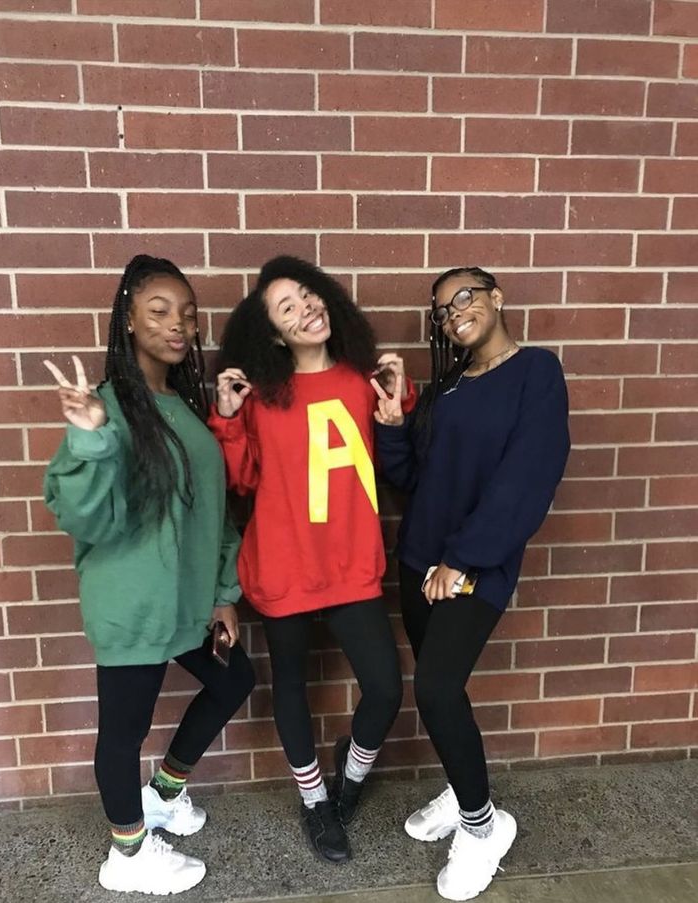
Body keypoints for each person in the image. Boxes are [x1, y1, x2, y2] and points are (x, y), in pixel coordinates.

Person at [43, 255, 255, 896]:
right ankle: (128, 858)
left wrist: (223, 596)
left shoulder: (182, 405)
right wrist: (89, 440)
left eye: (187, 314)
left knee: (233, 681)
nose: (178, 325)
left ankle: (162, 794)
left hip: (188, 605)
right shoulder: (105, 410)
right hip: (135, 604)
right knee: (124, 731)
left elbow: (214, 511)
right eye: (159, 311)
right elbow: (84, 516)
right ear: (128, 319)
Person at [373, 266, 570, 901]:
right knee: (438, 690)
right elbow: (413, 480)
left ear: (496, 298)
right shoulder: (449, 387)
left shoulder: (536, 373)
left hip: (470, 568)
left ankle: (484, 827)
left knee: (435, 688)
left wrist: (464, 558)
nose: (454, 311)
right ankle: (463, 793)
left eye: (465, 296)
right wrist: (393, 423)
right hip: (417, 563)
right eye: (442, 308)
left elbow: (527, 479)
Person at [208, 256, 414, 863]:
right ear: (272, 332)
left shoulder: (366, 379)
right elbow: (238, 482)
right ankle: (314, 801)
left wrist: (400, 408)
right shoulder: (261, 398)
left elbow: (397, 461)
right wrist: (224, 416)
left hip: (351, 565)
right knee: (290, 687)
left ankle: (349, 777)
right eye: (287, 308)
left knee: (384, 687)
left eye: (309, 295)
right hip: (284, 565)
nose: (306, 310)